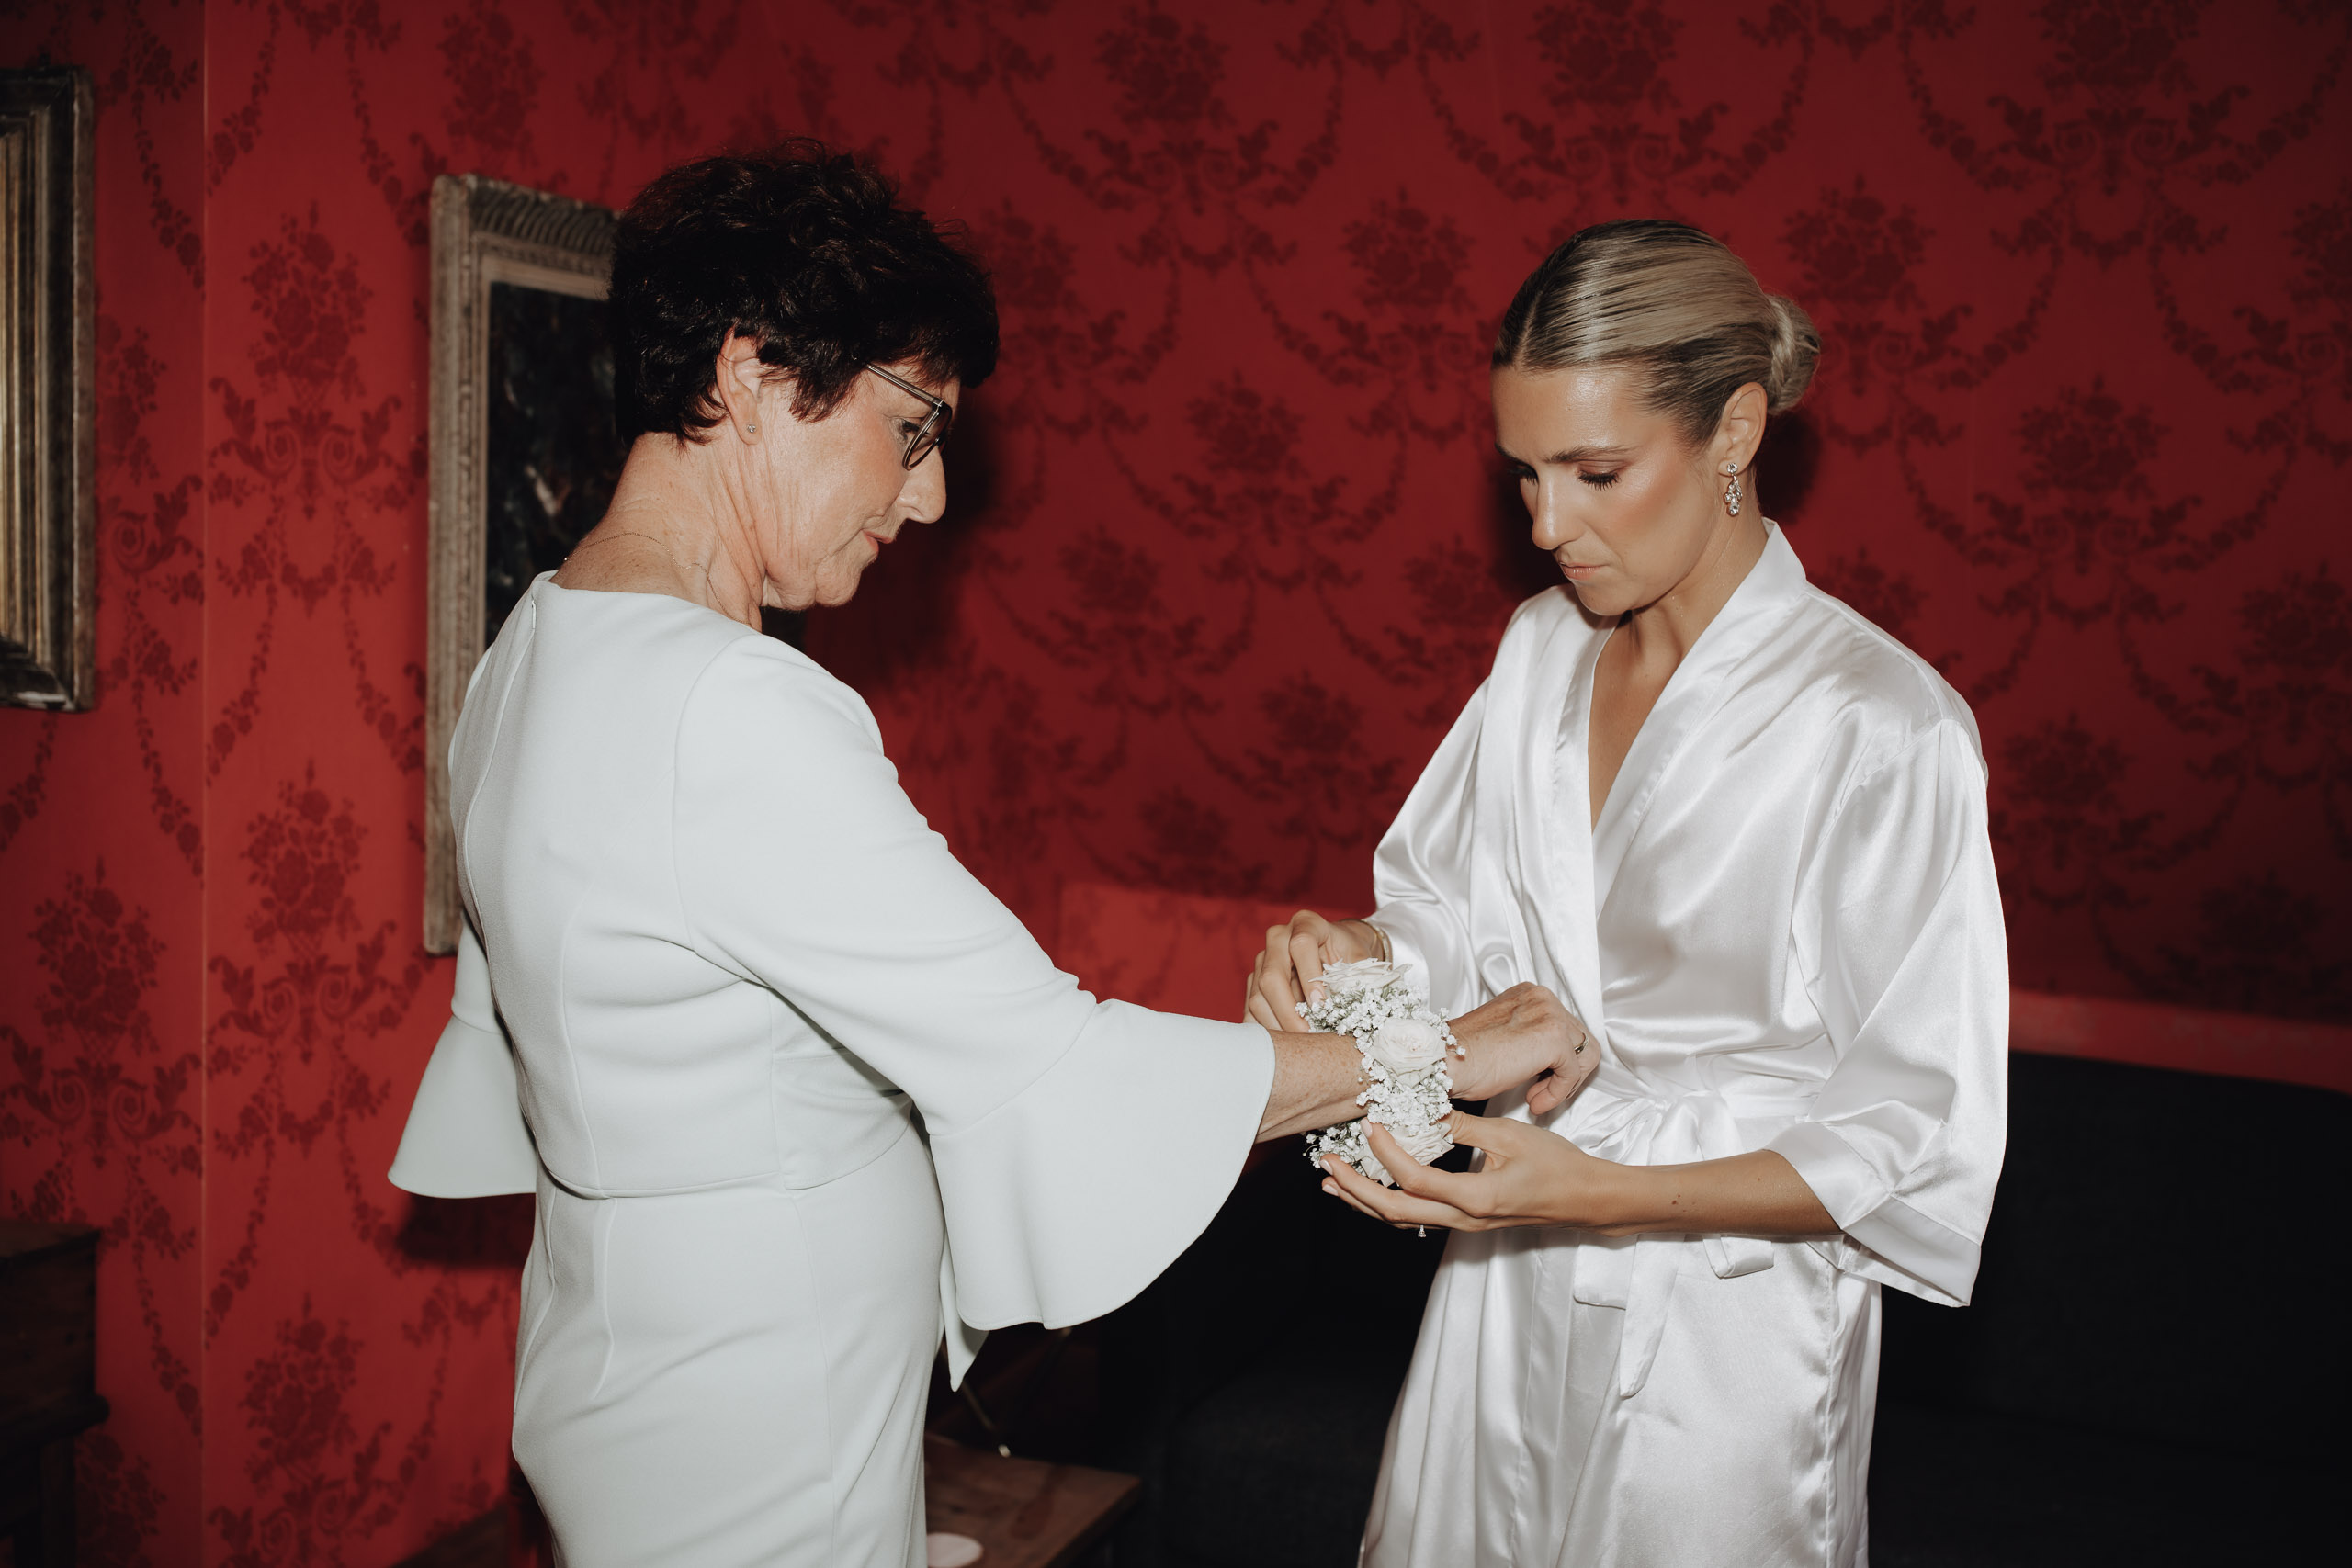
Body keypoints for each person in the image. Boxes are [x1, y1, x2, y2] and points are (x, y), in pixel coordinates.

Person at [386, 143, 1591, 1568]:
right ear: (754, 372)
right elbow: (1058, 1072)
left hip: (619, 1358)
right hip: (763, 1406)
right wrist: (1438, 1055)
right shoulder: (735, 707)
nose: (929, 497)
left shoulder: (528, 649)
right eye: (913, 428)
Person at [1248, 220, 2007, 1568]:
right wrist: (1355, 954)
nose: (1549, 526)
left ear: (1733, 433)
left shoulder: (1881, 724)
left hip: (1730, 1315)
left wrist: (1597, 1192)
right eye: (1525, 474)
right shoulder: (1540, 651)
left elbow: (1911, 1130)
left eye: (1596, 473)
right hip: (1506, 1259)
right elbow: (1455, 922)